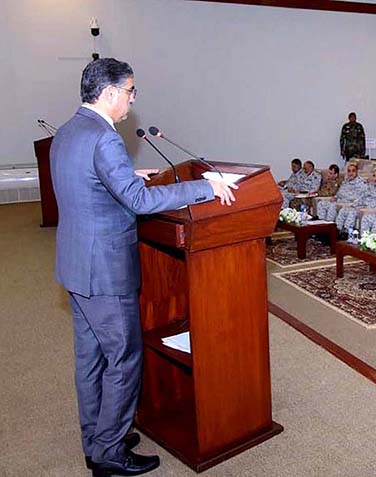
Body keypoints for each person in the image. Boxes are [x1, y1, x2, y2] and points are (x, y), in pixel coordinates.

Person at [51, 58, 236, 476]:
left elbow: (84, 181)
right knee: (124, 358)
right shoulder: (105, 139)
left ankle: (97, 438)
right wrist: (205, 186)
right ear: (111, 93)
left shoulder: (70, 131)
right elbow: (139, 202)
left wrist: (124, 174)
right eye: (130, 91)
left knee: (91, 359)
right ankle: (109, 454)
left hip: (77, 265)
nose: (133, 100)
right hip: (105, 270)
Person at [336, 169, 376, 235]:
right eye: (374, 176)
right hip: (363, 206)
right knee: (344, 210)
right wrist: (354, 205)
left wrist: (366, 209)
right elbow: (362, 197)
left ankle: (347, 233)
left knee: (352, 213)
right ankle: (337, 231)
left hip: (373, 210)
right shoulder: (370, 186)